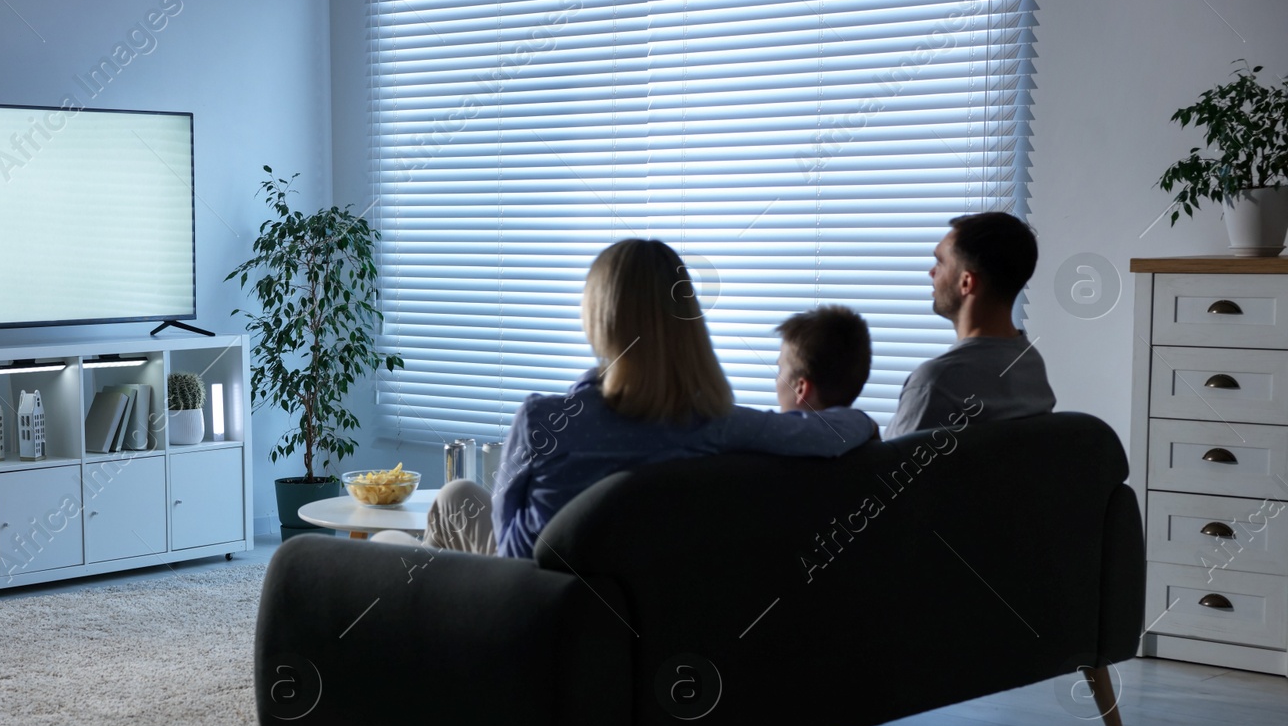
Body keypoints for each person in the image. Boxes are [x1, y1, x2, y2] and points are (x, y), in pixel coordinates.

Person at [381, 239, 877, 559]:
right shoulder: (719, 425)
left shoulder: (544, 421)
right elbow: (843, 427)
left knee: (428, 516)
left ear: (600, 320)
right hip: (640, 612)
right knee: (450, 504)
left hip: (530, 606)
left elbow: (512, 549)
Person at [886, 212, 1055, 439]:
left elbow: (889, 473)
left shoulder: (937, 382)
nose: (931, 273)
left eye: (940, 262)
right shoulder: (1030, 365)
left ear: (966, 282)